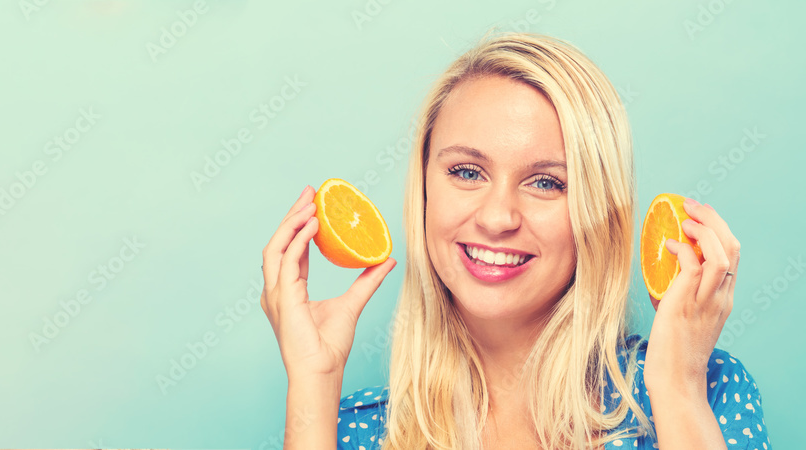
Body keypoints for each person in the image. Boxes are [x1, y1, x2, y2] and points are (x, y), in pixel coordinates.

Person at [260, 31, 770, 449]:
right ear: (424, 192)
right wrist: (314, 382)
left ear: (597, 212)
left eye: (546, 182)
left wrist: (679, 391)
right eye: (466, 171)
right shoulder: (354, 430)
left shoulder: (701, 388)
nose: (498, 217)